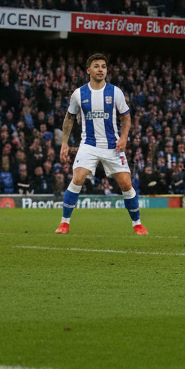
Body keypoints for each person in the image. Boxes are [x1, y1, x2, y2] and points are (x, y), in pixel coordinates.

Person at [56, 53, 147, 235]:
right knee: (78, 178)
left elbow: (126, 117)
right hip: (88, 144)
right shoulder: (79, 94)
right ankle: (64, 223)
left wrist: (124, 137)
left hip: (112, 145)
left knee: (126, 184)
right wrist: (64, 143)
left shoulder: (115, 92)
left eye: (103, 66)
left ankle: (137, 223)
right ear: (89, 70)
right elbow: (69, 118)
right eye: (97, 66)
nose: (100, 69)